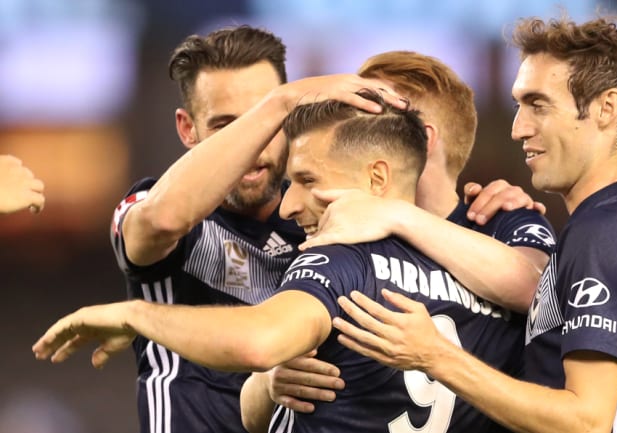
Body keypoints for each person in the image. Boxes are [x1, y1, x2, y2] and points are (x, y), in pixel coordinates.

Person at [34, 90, 531, 433]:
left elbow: (259, 340)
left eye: (309, 180)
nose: (290, 206)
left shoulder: (342, 263)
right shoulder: (488, 271)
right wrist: (268, 385)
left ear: (377, 179)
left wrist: (136, 314)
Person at [329, 16, 617, 433]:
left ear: (607, 108)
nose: (518, 129)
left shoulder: (605, 233)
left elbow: (585, 421)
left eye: (538, 104)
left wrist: (435, 356)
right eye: (519, 105)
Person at [108, 25, 407, 433]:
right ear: (187, 129)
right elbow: (163, 219)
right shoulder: (153, 204)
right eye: (226, 125)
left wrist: (496, 209)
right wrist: (279, 102)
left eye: (266, 123)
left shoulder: (329, 215)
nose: (253, 146)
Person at [243, 50, 555, 429]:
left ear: (420, 138)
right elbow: (254, 414)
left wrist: (399, 216)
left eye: (370, 106)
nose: (344, 124)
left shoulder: (497, 219)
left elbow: (540, 292)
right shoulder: (322, 226)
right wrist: (267, 381)